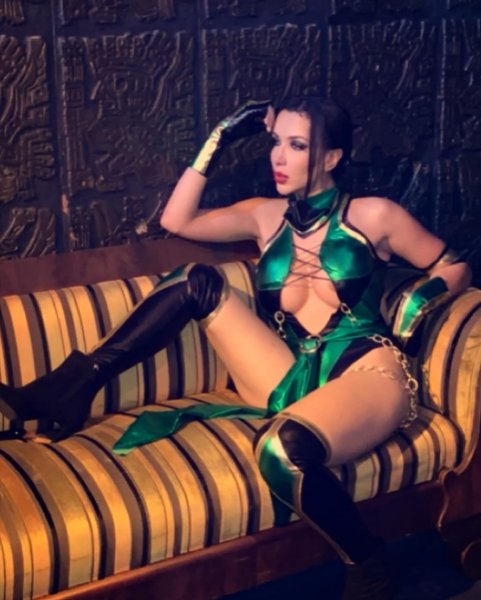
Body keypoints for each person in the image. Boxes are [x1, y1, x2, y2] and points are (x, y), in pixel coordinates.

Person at [0, 97, 471, 599]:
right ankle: (69, 389)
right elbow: (177, 220)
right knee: (194, 281)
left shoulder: (374, 214)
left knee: (279, 451)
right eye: (275, 143)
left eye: (297, 146)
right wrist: (221, 136)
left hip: (366, 374)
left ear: (332, 157)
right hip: (290, 372)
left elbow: (454, 263)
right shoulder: (264, 215)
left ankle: (369, 563)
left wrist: (422, 296)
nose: (279, 158)